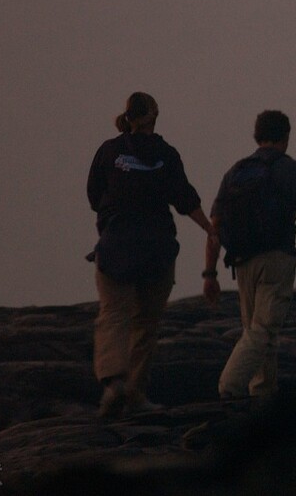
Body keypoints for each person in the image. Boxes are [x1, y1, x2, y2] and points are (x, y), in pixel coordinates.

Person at [86, 92, 214, 418]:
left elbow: (94, 194)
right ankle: (135, 394)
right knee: (146, 323)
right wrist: (209, 228)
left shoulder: (109, 151)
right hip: (157, 247)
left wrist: (111, 215)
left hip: (116, 243)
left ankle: (114, 381)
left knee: (113, 313)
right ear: (154, 115)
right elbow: (185, 199)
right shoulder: (165, 154)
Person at [203, 109, 296, 400]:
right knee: (263, 330)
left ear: (257, 135)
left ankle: (262, 395)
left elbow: (215, 226)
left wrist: (210, 273)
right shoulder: (294, 171)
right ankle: (230, 385)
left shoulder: (236, 172)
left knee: (257, 331)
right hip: (277, 259)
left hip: (242, 261)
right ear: (286, 136)